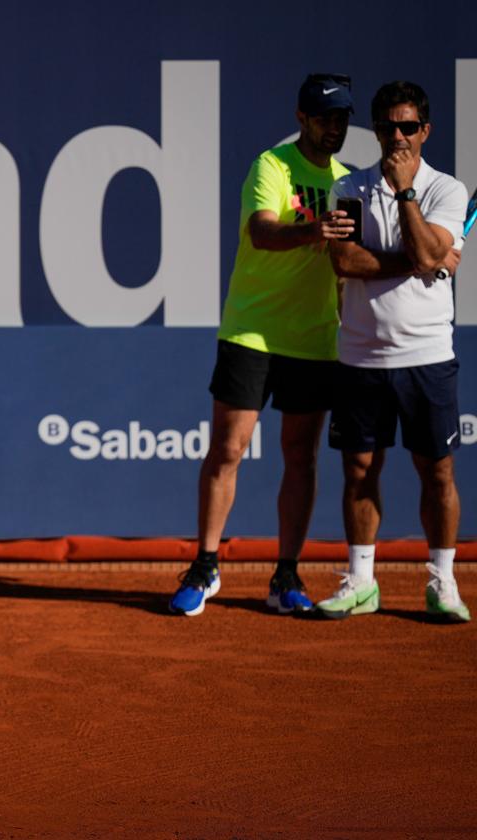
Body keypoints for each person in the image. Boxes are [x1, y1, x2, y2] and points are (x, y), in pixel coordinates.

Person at [169, 74, 357, 616]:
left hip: (314, 337)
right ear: (301, 119)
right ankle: (205, 567)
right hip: (251, 331)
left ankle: (286, 576)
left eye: (341, 117)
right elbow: (263, 232)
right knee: (228, 450)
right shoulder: (272, 166)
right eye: (324, 118)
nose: (334, 127)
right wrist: (315, 229)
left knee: (301, 456)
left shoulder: (349, 182)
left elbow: (347, 272)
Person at [320, 80, 469, 622]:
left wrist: (406, 194)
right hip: (361, 357)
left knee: (438, 474)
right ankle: (361, 581)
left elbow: (429, 249)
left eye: (408, 127)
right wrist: (422, 260)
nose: (398, 137)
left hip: (427, 355)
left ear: (425, 131)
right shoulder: (349, 190)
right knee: (359, 471)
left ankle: (442, 582)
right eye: (387, 127)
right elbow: (346, 264)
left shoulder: (446, 191)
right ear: (376, 131)